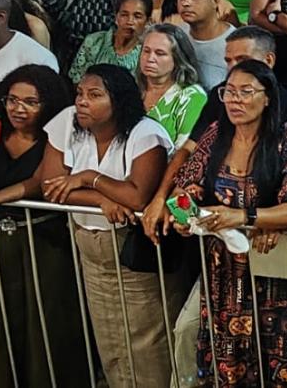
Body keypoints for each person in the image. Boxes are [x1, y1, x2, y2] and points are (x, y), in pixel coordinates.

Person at [167, 59, 287, 386]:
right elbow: (185, 189)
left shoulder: (286, 137)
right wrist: (186, 217)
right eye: (229, 92)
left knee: (278, 366)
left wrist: (249, 218)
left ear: (267, 98)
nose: (234, 100)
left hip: (274, 277)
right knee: (226, 365)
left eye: (245, 92)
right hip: (222, 275)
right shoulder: (217, 134)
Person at [0, 64, 90, 388]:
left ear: (47, 103)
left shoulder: (58, 132)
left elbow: (39, 183)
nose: (18, 109)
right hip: (4, 236)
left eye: (30, 102)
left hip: (46, 237)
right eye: (12, 100)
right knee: (9, 314)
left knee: (49, 316)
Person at [40, 63, 174, 388]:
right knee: (110, 339)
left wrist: (88, 179)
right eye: (80, 93)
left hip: (131, 248)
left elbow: (137, 197)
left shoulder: (145, 134)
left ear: (118, 101)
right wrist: (101, 199)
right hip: (89, 244)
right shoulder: (74, 126)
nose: (82, 102)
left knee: (146, 340)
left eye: (94, 95)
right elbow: (52, 187)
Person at [137, 23, 208, 149]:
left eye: (160, 53)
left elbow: (186, 151)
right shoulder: (131, 89)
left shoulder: (191, 96)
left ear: (177, 59)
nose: (150, 58)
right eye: (146, 51)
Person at [69, 0, 152, 83]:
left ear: (147, 22)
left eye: (137, 16)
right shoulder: (94, 41)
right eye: (124, 15)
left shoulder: (148, 53)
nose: (130, 21)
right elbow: (76, 81)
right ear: (116, 17)